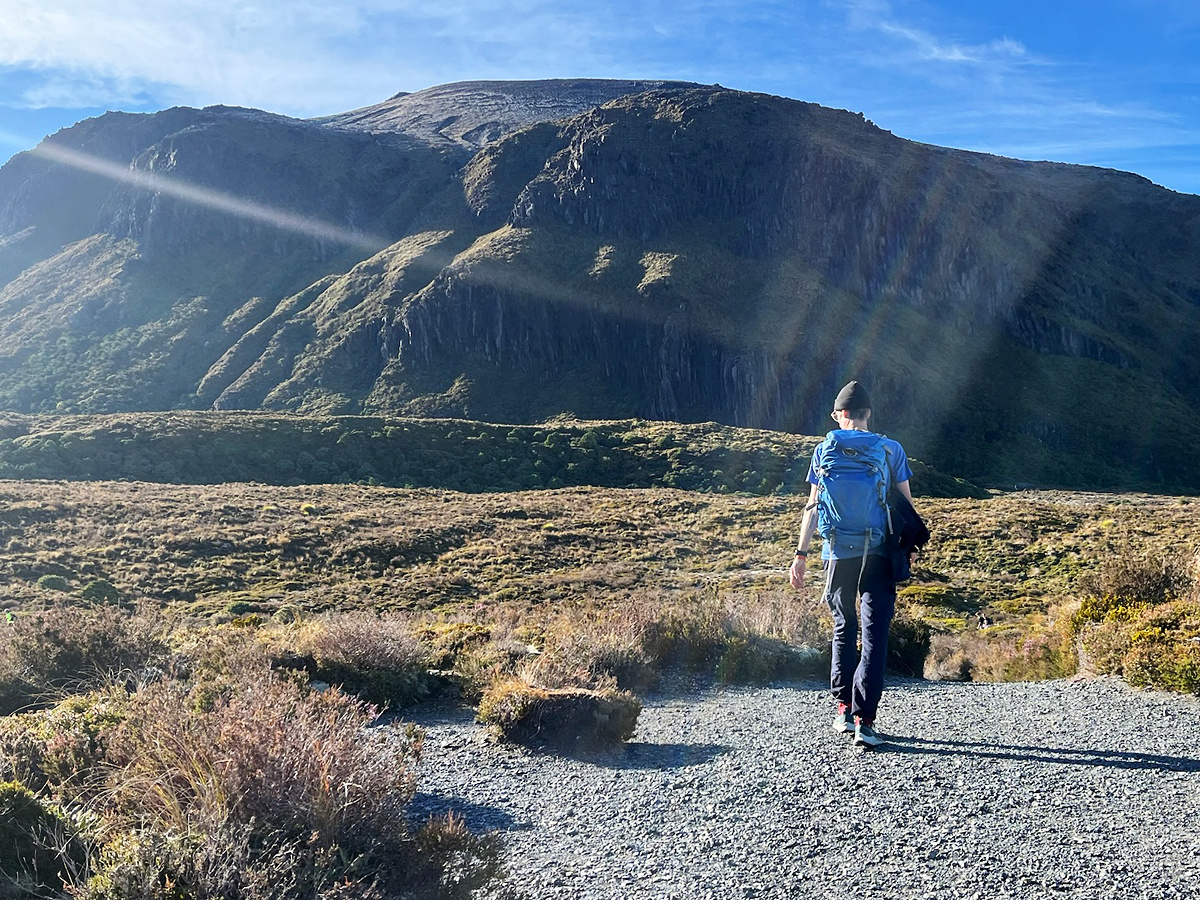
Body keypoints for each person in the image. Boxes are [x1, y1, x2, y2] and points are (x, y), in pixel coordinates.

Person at [789, 381, 917, 748]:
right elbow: (905, 508)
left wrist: (801, 555)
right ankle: (866, 721)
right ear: (868, 414)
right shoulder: (891, 450)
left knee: (844, 628)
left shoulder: (823, 450)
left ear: (838, 416)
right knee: (875, 634)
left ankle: (843, 709)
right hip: (877, 553)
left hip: (836, 553)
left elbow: (812, 508)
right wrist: (906, 551)